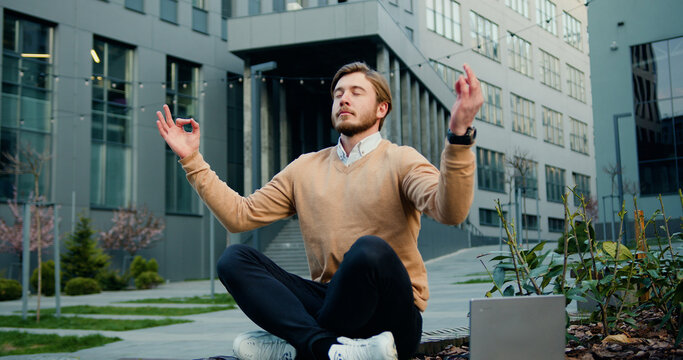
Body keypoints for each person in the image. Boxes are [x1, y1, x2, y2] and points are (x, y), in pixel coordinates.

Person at [156, 61, 482, 360]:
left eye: (356, 92)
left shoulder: (401, 160)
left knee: (370, 250)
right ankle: (324, 349)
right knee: (234, 259)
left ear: (382, 108)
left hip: (393, 321)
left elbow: (450, 210)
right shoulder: (306, 168)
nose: (344, 99)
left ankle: (296, 345)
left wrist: (458, 137)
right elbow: (239, 216)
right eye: (338, 93)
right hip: (332, 308)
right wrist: (192, 160)